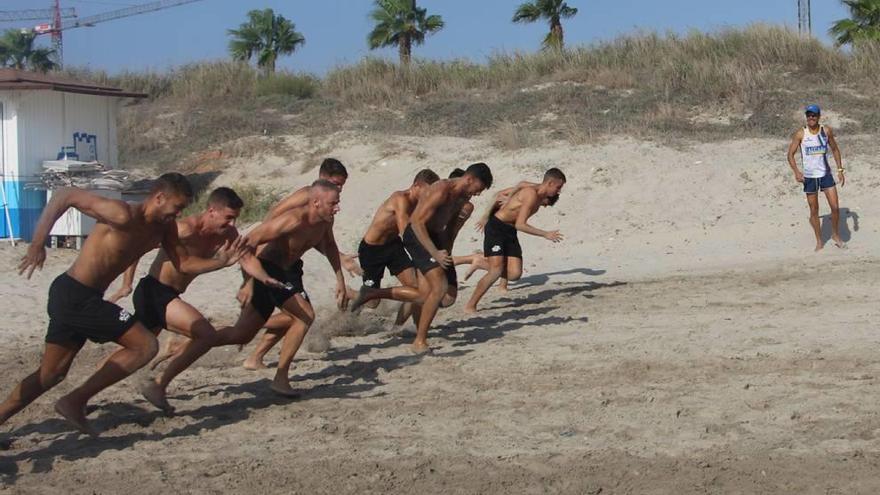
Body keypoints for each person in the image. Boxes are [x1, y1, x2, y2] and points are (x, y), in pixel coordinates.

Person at [0, 174, 243, 435]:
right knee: (146, 345)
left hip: (88, 299)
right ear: (159, 198)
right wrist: (38, 243)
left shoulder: (163, 229)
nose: (178, 215)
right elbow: (64, 195)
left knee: (51, 375)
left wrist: (221, 262)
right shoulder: (120, 214)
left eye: (182, 210)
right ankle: (75, 401)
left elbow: (183, 263)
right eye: (176, 208)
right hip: (73, 293)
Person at [107, 187, 282, 414]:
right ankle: (158, 386)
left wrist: (264, 279)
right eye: (228, 218)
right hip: (154, 292)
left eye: (235, 219)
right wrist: (126, 283)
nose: (231, 224)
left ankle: (85, 392)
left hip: (170, 296)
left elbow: (247, 259)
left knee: (135, 349)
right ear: (211, 211)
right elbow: (138, 248)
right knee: (205, 335)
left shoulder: (227, 235)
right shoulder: (183, 229)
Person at [207, 179, 348, 396]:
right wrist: (249, 282)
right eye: (333, 203)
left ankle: (189, 342)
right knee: (304, 316)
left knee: (241, 334)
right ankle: (281, 379)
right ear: (316, 202)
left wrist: (340, 280)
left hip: (280, 273)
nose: (337, 207)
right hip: (266, 270)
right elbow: (249, 242)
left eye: (337, 202)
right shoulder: (293, 220)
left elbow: (330, 246)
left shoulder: (325, 222)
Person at [403, 163, 493, 353]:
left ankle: (408, 314)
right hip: (418, 235)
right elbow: (417, 222)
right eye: (479, 188)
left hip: (436, 239)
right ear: (469, 179)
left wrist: (446, 251)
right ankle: (419, 341)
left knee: (443, 295)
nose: (478, 193)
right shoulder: (442, 189)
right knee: (439, 287)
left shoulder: (463, 197)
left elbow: (451, 229)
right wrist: (435, 253)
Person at [464, 169, 566, 313]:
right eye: (558, 187)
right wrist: (545, 234)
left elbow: (521, 183)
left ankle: (480, 261)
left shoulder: (535, 189)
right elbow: (521, 224)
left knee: (514, 274)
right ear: (549, 183)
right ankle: (471, 305)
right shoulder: (531, 195)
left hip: (510, 231)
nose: (559, 191)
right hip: (497, 227)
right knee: (495, 271)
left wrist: (510, 198)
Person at [349, 169, 440, 312]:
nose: (429, 196)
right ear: (417, 185)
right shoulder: (400, 198)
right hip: (372, 250)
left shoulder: (419, 204)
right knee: (372, 303)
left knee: (416, 288)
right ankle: (351, 293)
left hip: (393, 246)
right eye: (427, 191)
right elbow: (404, 229)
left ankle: (399, 327)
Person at [786, 104, 846, 251]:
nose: (811, 118)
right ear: (806, 117)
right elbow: (790, 155)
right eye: (809, 115)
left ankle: (835, 235)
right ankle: (819, 241)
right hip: (810, 177)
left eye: (814, 115)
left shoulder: (826, 131)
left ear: (819, 117)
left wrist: (840, 169)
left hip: (825, 175)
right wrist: (796, 172)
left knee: (835, 207)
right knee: (814, 211)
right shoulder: (801, 134)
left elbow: (835, 149)